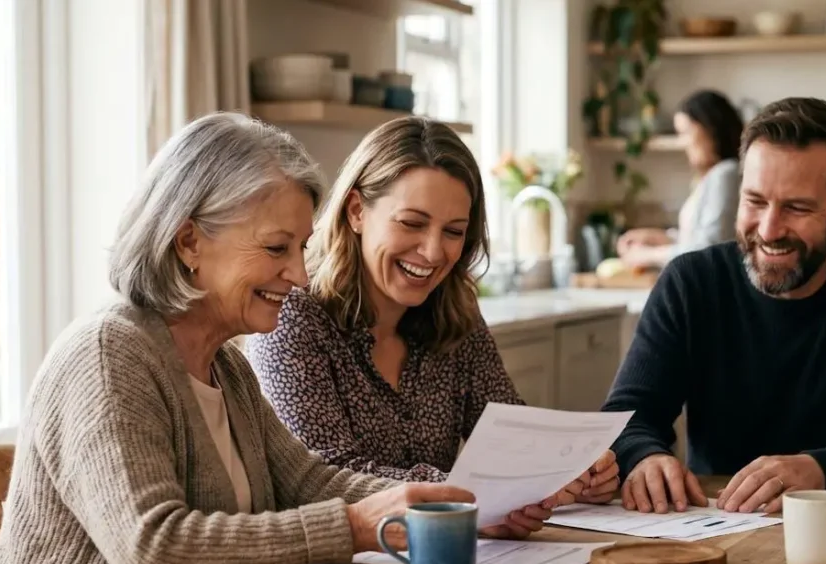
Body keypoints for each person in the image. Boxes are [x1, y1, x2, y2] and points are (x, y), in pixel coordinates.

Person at [0, 113, 577, 564]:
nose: (300, 275)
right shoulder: (109, 354)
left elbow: (309, 482)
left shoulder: (224, 366)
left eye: (301, 250)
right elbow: (154, 549)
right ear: (188, 242)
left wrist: (453, 505)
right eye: (276, 248)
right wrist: (356, 528)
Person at [602, 97, 826, 514]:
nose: (769, 229)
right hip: (716, 527)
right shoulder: (691, 283)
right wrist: (646, 458)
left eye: (797, 207)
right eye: (755, 202)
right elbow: (625, 420)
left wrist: (821, 469)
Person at [245, 117, 618, 503]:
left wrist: (573, 467)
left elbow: (510, 436)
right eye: (412, 223)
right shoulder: (293, 317)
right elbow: (326, 478)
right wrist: (469, 493)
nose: (434, 251)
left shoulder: (456, 312)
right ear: (356, 210)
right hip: (342, 560)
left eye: (454, 231)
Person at [616, 89, 743, 269]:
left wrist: (648, 255)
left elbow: (708, 248)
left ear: (710, 129)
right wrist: (660, 237)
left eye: (686, 132)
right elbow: (696, 238)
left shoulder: (726, 174)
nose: (682, 143)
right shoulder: (711, 177)